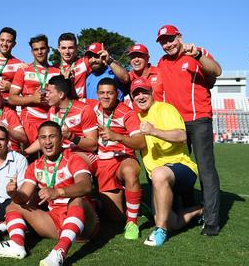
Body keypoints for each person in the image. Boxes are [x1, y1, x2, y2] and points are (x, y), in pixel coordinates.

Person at [0, 121, 99, 266]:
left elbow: (85, 186)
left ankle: (60, 252)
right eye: (42, 138)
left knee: (78, 199)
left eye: (52, 137)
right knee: (13, 206)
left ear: (61, 138)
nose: (47, 142)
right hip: (55, 223)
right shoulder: (35, 165)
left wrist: (58, 192)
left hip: (85, 225)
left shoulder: (74, 159)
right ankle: (17, 245)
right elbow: (23, 198)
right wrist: (14, 194)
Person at [156, 24, 222, 236]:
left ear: (179, 37)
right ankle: (189, 210)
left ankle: (211, 221)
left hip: (199, 120)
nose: (168, 44)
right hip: (175, 124)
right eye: (164, 41)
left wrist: (199, 55)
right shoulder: (162, 62)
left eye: (170, 39)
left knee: (206, 171)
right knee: (178, 168)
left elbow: (216, 71)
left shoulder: (196, 52)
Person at [130, 78, 203, 246]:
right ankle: (200, 210)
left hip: (182, 168)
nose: (140, 97)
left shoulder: (165, 108)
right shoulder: (135, 117)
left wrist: (153, 131)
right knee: (171, 222)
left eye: (144, 92)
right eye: (136, 94)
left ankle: (160, 231)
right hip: (158, 177)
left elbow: (181, 136)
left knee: (159, 173)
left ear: (151, 93)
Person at [93, 78, 146, 240]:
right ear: (97, 95)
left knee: (130, 171)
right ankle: (135, 202)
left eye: (110, 93)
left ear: (117, 94)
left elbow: (141, 142)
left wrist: (118, 137)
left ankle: (132, 222)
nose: (106, 97)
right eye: (102, 93)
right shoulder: (92, 108)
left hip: (124, 159)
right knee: (116, 218)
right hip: (103, 162)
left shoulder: (127, 113)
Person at [24, 76, 98, 168]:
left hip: (83, 153)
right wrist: (24, 152)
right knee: (38, 167)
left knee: (66, 163)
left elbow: (93, 146)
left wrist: (71, 136)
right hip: (61, 154)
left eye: (49, 92)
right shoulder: (52, 110)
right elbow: (44, 139)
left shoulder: (84, 110)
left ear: (61, 94)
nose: (46, 95)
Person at [9, 35, 61, 145]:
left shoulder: (57, 71)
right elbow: (11, 98)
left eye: (42, 48)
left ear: (48, 49)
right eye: (36, 49)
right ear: (32, 52)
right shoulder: (23, 71)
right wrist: (32, 99)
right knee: (31, 158)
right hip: (30, 120)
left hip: (51, 119)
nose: (39, 52)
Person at [0, 83, 28, 153]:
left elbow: (23, 138)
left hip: (10, 151)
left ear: (1, 98)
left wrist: (5, 128)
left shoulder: (9, 113)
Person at [56, 32, 90, 99]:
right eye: (63, 48)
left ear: (76, 48)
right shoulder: (54, 68)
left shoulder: (84, 62)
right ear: (58, 49)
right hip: (62, 106)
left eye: (70, 48)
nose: (67, 52)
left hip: (80, 105)